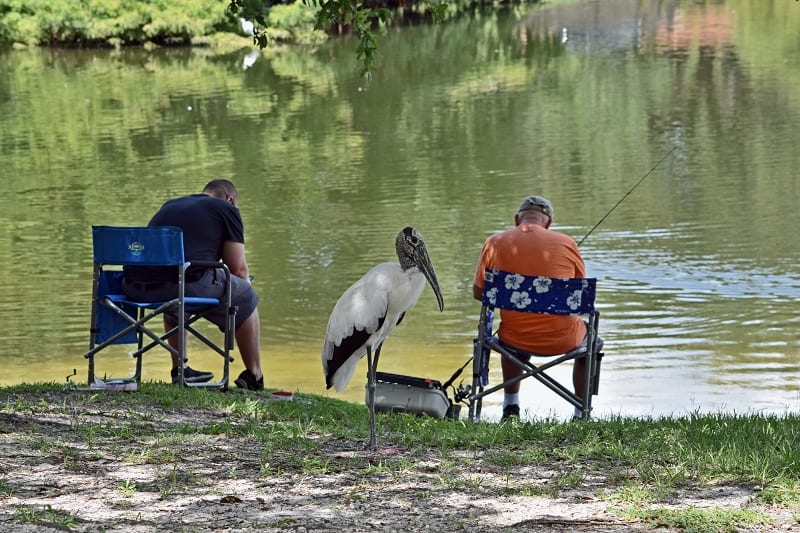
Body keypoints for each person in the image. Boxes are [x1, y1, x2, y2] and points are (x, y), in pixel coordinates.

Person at [122, 179, 264, 390]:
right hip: (182, 285)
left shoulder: (170, 205)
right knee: (245, 293)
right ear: (230, 199)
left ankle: (179, 368)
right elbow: (238, 269)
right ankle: (254, 374)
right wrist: (242, 287)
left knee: (175, 288)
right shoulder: (226, 209)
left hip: (137, 287)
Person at [472, 195, 601, 420]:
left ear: (517, 219)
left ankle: (510, 406)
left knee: (510, 331)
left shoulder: (494, 242)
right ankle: (581, 411)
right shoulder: (567, 243)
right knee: (592, 337)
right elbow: (578, 297)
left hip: (514, 339)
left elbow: (479, 293)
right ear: (548, 222)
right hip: (565, 339)